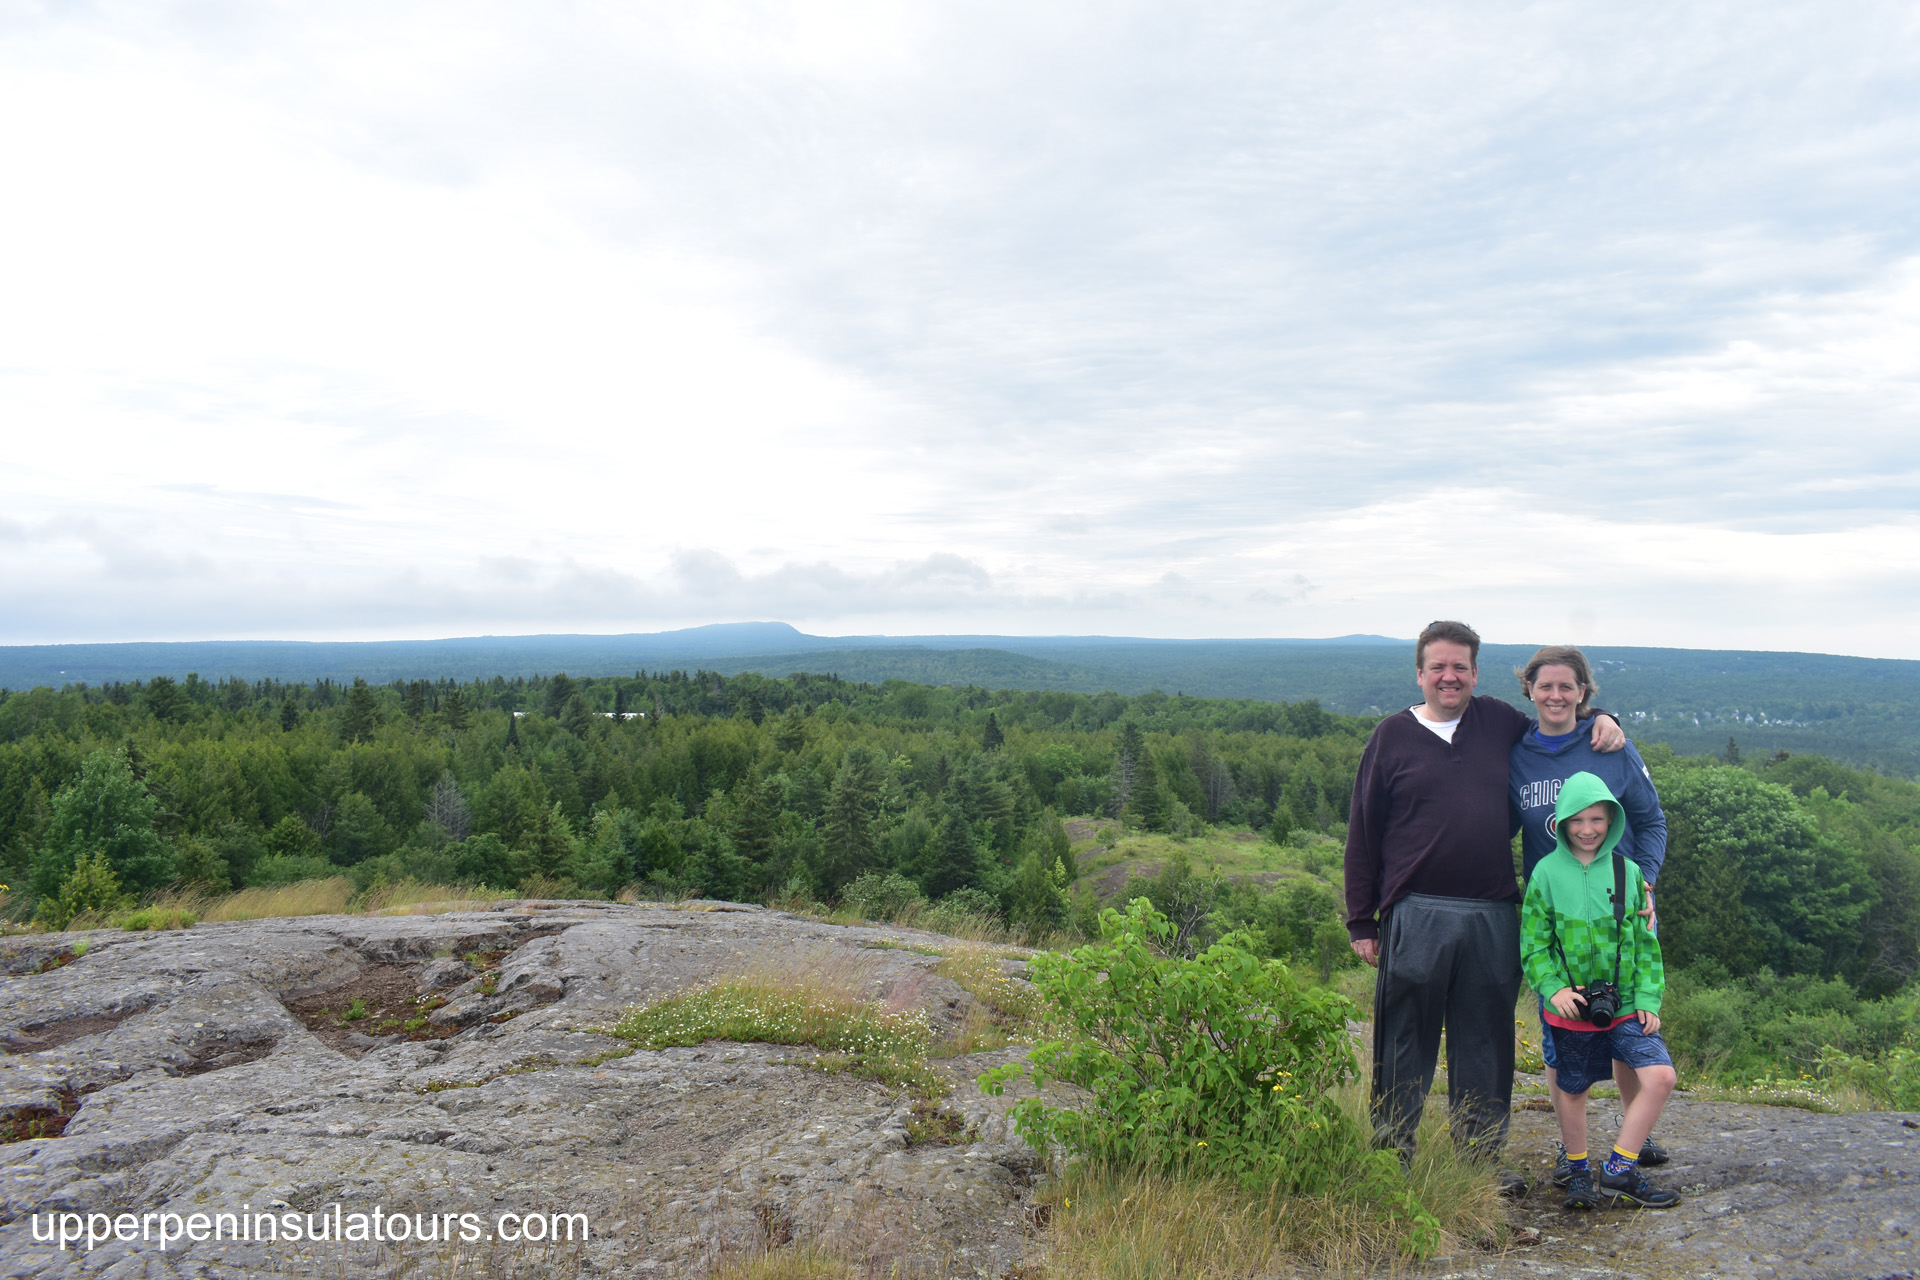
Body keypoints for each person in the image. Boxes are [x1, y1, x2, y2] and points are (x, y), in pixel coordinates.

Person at [1344, 620, 1624, 1166]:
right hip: (1415, 908)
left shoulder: (1498, 721)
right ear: (1420, 674)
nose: (1449, 677)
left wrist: (1603, 719)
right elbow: (1364, 830)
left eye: (1460, 668)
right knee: (1404, 1040)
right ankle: (1391, 1154)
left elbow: (1557, 727)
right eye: (1438, 667)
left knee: (1485, 1043)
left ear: (1475, 673)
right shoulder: (1391, 736)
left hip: (1494, 910)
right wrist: (1362, 920)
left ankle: (1479, 1162)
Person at [1509, 646, 1672, 1183]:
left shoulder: (1611, 745)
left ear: (1584, 693)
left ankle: (1634, 1135)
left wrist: (1643, 882)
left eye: (1568, 687)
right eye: (1545, 686)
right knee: (1564, 1031)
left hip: (1620, 907)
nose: (1556, 696)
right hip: (1556, 919)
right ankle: (1571, 1148)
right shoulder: (1515, 753)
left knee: (1624, 1019)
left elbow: (1652, 822)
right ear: (1529, 689)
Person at [1521, 771, 1679, 1209]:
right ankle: (1576, 1170)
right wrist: (1553, 989)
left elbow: (1646, 945)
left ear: (1612, 820)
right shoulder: (1546, 874)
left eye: (1597, 819)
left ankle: (1618, 1170)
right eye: (1577, 820)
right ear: (1561, 822)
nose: (1588, 829)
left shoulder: (1627, 873)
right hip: (1569, 1008)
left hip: (1625, 1003)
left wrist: (1648, 998)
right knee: (1573, 1088)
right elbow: (1534, 945)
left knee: (1660, 1076)